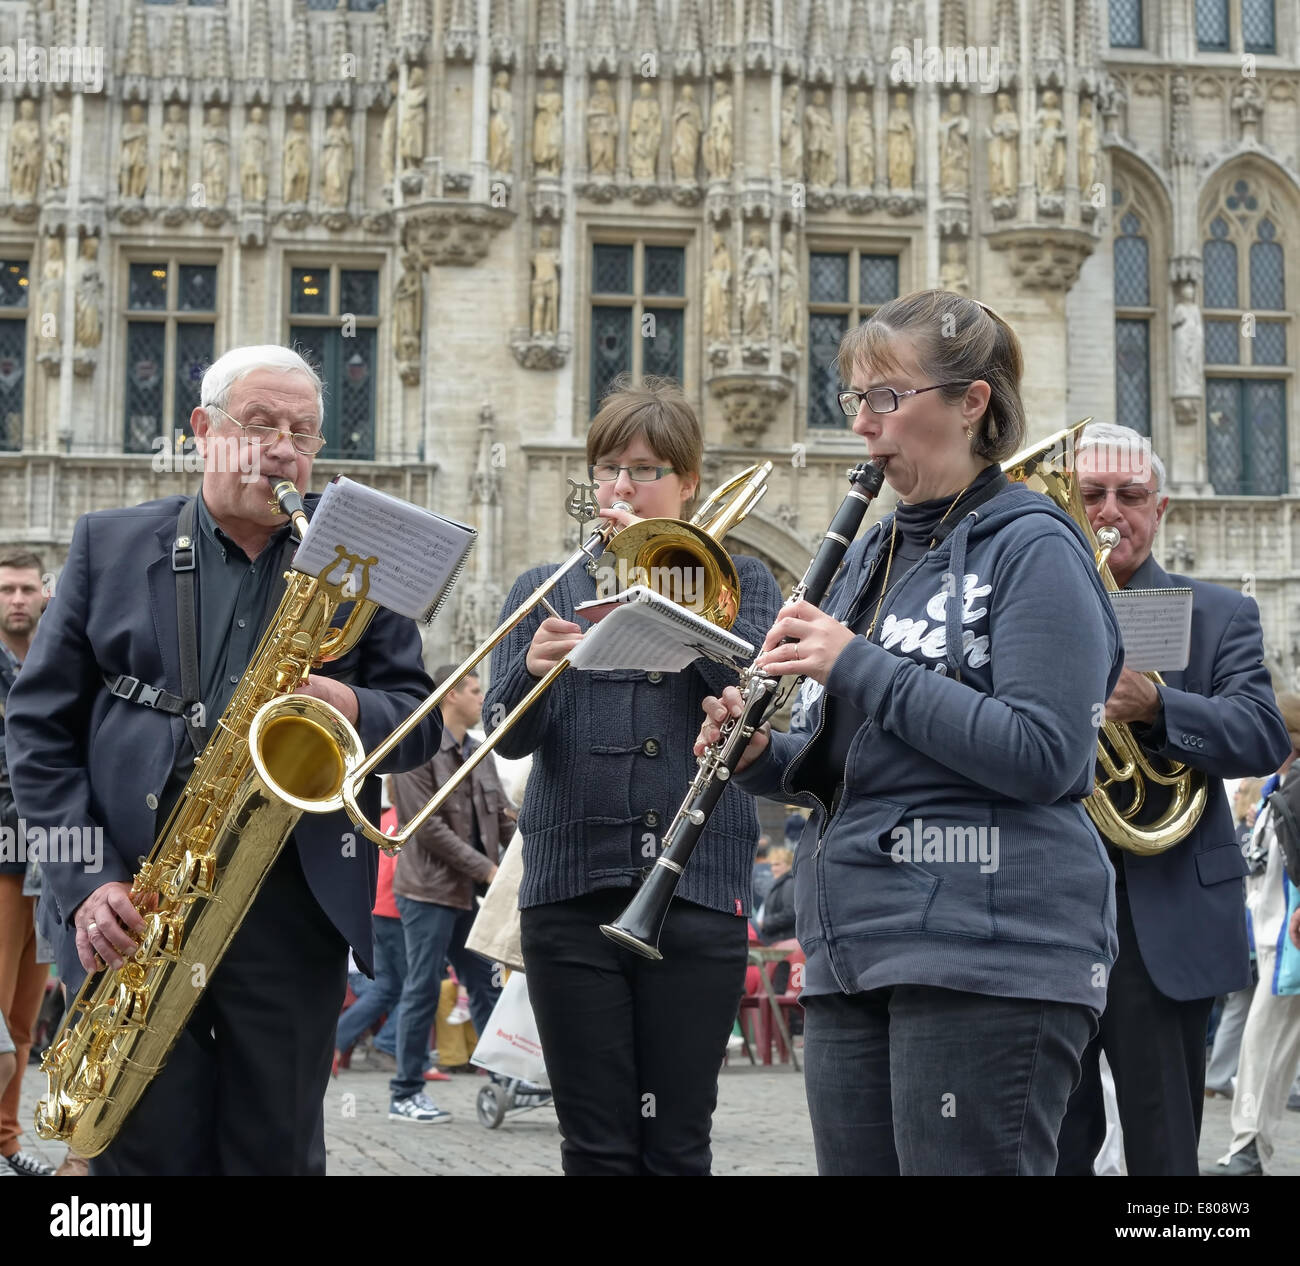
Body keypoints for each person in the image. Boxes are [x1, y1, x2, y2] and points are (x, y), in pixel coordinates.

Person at [700, 290, 1124, 1176]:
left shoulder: (1034, 546)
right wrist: (757, 757)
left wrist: (854, 663)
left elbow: (1048, 753)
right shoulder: (870, 555)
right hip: (857, 943)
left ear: (972, 402)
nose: (862, 423)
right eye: (854, 399)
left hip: (988, 947)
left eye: (886, 397)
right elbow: (851, 757)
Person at [5, 345, 442, 1176]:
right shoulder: (108, 543)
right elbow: (36, 729)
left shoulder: (358, 566)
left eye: (304, 434)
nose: (284, 449)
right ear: (203, 432)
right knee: (143, 1157)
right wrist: (84, 881)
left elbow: (417, 722)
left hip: (288, 908)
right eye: (261, 425)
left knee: (274, 1152)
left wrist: (351, 704)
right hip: (131, 905)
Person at [483, 375, 782, 1175]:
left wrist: (670, 586)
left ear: (688, 484)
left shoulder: (742, 583)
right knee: (596, 1144)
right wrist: (528, 676)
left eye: (647, 469)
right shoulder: (547, 588)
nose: (623, 485)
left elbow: (754, 702)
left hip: (696, 892)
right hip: (570, 898)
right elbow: (505, 741)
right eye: (609, 467)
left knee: (679, 1144)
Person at [1054, 422, 1290, 1176]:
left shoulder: (1218, 614)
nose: (1110, 511)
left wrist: (1157, 709)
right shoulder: (1026, 612)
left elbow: (1259, 733)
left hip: (1162, 921)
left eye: (1130, 496)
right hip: (1045, 913)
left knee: (1164, 1159)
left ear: (1161, 512)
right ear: (1064, 505)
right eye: (1090, 495)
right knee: (1048, 1148)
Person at [386, 667, 513, 1123]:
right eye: (475, 690)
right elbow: (428, 828)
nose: (482, 697)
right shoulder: (414, 751)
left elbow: (501, 816)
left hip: (466, 894)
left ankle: (505, 1079)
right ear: (451, 695)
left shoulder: (479, 752)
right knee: (422, 988)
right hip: (427, 892)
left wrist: (527, 851)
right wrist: (488, 869)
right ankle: (405, 1092)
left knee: (483, 983)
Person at [1203, 695, 1300, 1175]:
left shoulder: (1291, 789)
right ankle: (1247, 1149)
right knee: (1263, 1043)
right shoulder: (1273, 792)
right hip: (1273, 941)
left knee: (1263, 1042)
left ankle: (1247, 1149)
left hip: (1290, 945)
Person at [0, 551, 53, 1177]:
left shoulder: (52, 664)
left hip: (46, 864)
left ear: (44, 594)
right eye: (5, 589)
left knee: (22, 1018)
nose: (16, 599)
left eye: (25, 589)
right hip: (6, 858)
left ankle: (8, 1141)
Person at [757, 846, 795, 944]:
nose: (773, 868)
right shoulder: (780, 883)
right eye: (772, 865)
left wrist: (765, 923)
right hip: (777, 940)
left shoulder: (789, 884)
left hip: (783, 942)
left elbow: (790, 913)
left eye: (777, 864)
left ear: (788, 865)